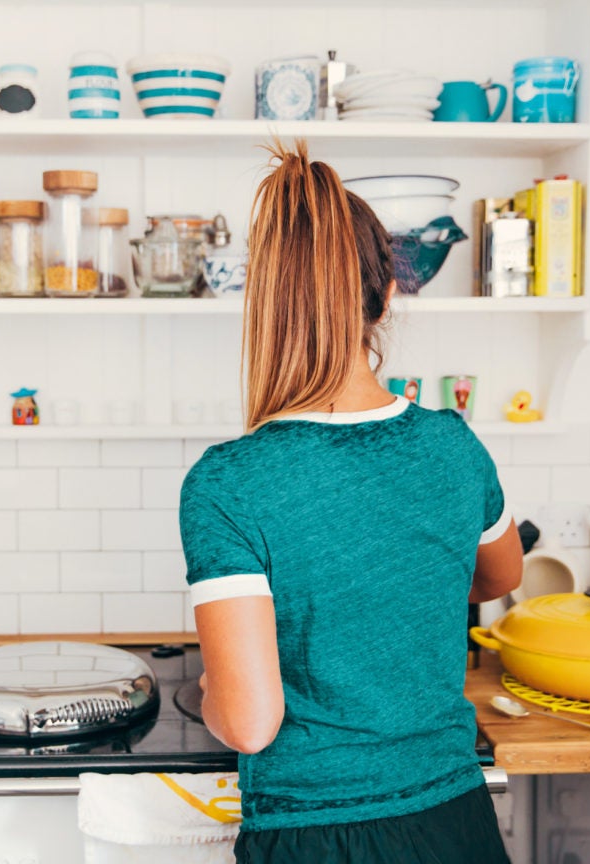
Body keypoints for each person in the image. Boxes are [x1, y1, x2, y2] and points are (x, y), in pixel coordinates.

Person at [178, 140, 523, 864]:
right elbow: (504, 576)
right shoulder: (452, 446)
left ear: (263, 305)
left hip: (315, 837)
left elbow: (249, 723)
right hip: (457, 823)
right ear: (389, 294)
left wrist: (215, 686)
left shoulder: (229, 482)